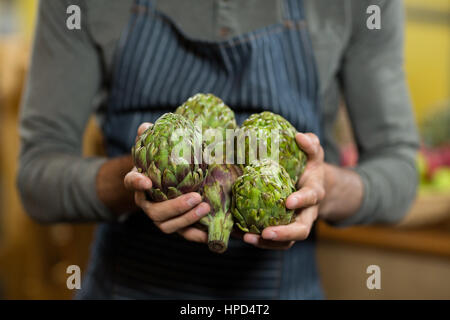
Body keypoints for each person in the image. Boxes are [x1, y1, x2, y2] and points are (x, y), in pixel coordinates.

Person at [18, 0, 418, 299]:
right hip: (128, 287)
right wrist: (142, 180)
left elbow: (399, 172)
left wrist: (321, 188)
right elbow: (37, 179)